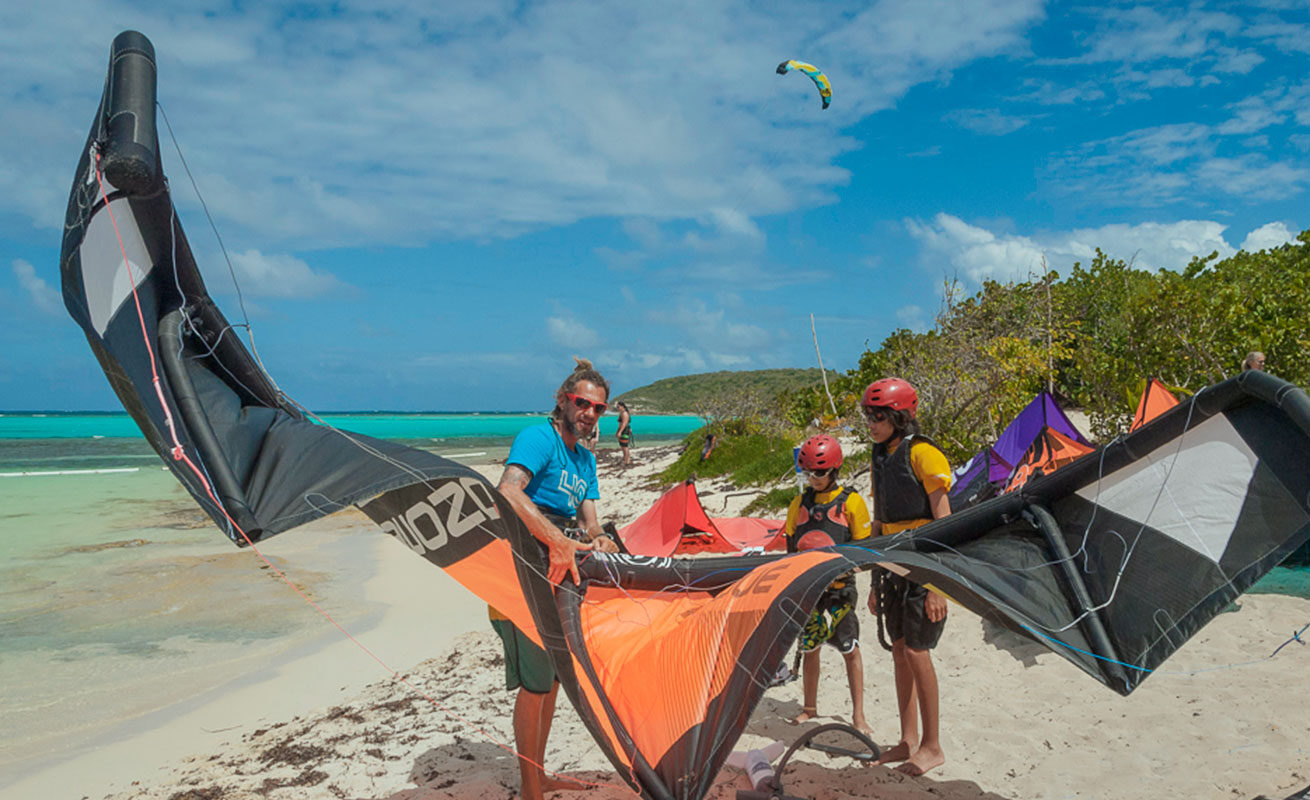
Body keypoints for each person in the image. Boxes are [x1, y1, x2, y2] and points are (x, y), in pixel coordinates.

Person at [490, 357, 621, 800]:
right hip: (523, 572)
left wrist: (599, 538)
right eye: (581, 403)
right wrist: (557, 541)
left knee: (554, 680)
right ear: (564, 401)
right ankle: (530, 788)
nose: (588, 412)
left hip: (559, 575)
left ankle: (539, 775)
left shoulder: (584, 459)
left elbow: (589, 520)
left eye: (597, 408)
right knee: (536, 684)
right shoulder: (538, 438)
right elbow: (508, 491)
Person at [862, 378, 953, 777]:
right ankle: (908, 740)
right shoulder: (879, 455)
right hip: (893, 564)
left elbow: (947, 523)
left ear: (899, 416)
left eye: (878, 416)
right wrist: (874, 580)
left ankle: (933, 746)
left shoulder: (924, 454)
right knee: (898, 650)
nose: (872, 423)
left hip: (923, 563)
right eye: (868, 415)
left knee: (917, 652)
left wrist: (937, 585)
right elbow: (880, 520)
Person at [783, 434, 873, 735]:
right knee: (811, 647)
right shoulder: (800, 502)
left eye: (819, 472)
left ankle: (858, 715)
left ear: (834, 470)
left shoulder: (851, 502)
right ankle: (809, 708)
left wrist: (842, 570)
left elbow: (863, 550)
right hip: (809, 590)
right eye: (807, 472)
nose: (813, 478)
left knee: (850, 648)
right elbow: (790, 546)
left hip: (839, 590)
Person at [615, 401, 633, 466]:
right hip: (623, 430)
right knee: (622, 446)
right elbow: (620, 424)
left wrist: (620, 432)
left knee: (625, 446)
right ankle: (625, 459)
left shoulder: (624, 413)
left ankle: (627, 461)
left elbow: (624, 423)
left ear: (622, 406)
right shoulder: (622, 413)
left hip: (624, 431)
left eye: (618, 407)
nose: (617, 408)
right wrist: (617, 431)